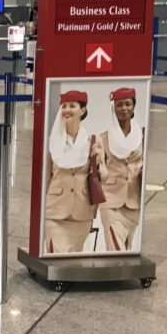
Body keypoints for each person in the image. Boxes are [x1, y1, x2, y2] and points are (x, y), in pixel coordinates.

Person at [44, 90, 103, 254]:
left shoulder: (93, 141)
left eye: (72, 106)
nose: (67, 110)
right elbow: (45, 177)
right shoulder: (52, 142)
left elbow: (102, 177)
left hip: (81, 211)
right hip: (55, 211)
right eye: (64, 106)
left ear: (82, 110)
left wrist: (98, 162)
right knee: (57, 255)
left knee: (73, 256)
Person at [99, 88, 144, 251]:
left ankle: (118, 276)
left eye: (127, 104)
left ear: (133, 106)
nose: (124, 108)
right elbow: (99, 171)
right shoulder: (103, 138)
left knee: (126, 247)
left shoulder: (141, 136)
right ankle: (115, 276)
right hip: (111, 201)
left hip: (134, 201)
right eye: (119, 105)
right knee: (116, 248)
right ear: (113, 108)